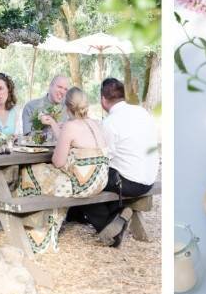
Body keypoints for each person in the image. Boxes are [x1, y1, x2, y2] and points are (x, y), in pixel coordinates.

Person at [68, 78, 159, 247]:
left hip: (129, 182)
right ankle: (115, 213)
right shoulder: (142, 112)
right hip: (149, 178)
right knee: (99, 176)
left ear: (103, 99)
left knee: (86, 181)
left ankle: (109, 228)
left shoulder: (110, 122)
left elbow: (103, 158)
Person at [16, 87, 109, 253]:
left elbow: (58, 162)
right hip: (100, 181)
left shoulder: (70, 125)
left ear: (67, 107)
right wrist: (53, 123)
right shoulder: (95, 124)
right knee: (47, 177)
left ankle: (37, 231)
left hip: (82, 185)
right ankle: (42, 227)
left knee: (29, 172)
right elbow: (71, 139)